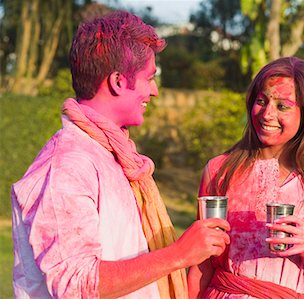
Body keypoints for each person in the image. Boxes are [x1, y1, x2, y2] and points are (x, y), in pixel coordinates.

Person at [11, 11, 230, 299]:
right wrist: (179, 255)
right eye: (149, 78)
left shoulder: (112, 156)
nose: (154, 91)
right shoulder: (68, 164)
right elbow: (77, 285)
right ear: (117, 81)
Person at [187, 57, 304, 299]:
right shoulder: (220, 171)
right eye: (261, 101)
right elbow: (202, 265)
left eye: (283, 106)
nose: (267, 114)